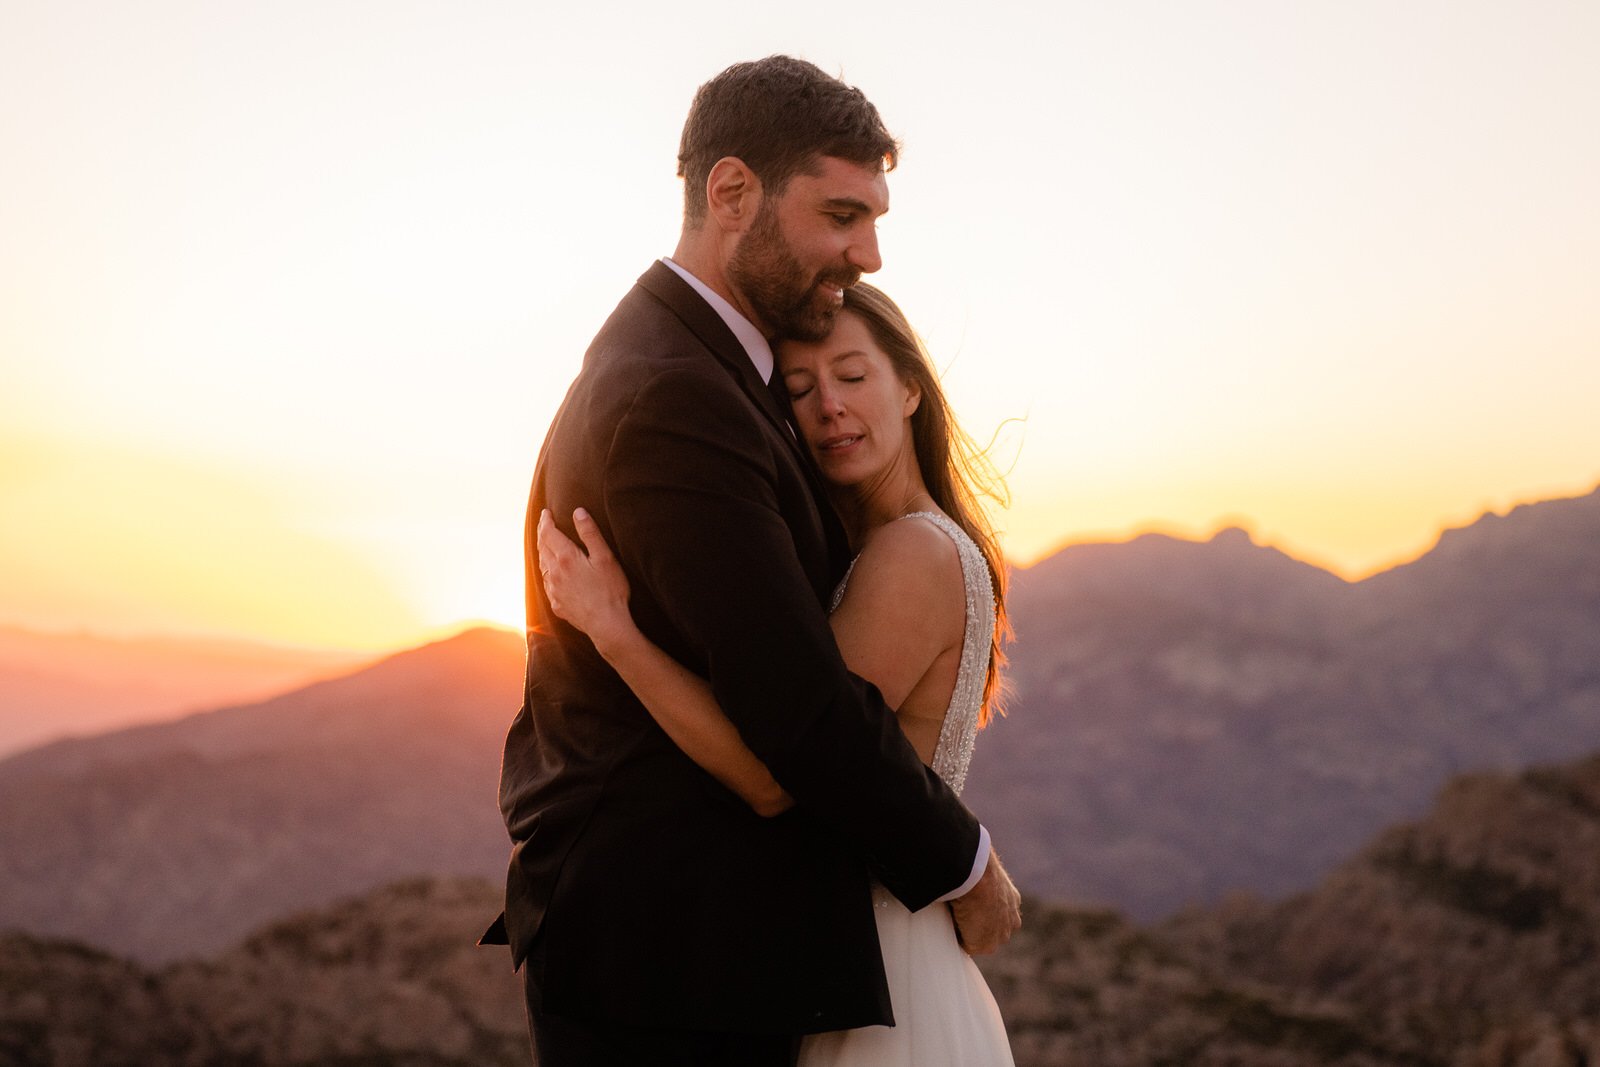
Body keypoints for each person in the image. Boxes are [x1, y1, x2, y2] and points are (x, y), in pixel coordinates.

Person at [488, 55, 1020, 1067]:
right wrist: (965, 857)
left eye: (875, 221)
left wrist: (618, 633)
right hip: (666, 958)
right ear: (732, 193)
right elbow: (798, 717)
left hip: (704, 954)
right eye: (841, 214)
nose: (867, 253)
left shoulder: (708, 369)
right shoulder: (674, 391)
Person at [538, 280, 1017, 1065]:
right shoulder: (892, 550)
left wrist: (615, 632)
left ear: (910, 392)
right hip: (860, 955)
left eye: (853, 376)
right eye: (799, 388)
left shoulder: (911, 554)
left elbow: (773, 767)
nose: (828, 405)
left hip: (886, 973)